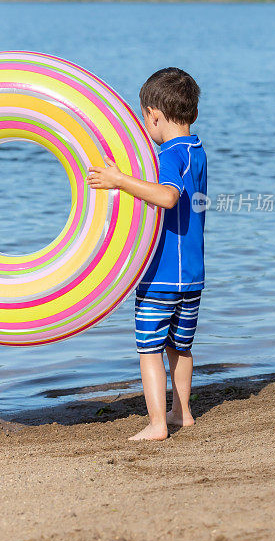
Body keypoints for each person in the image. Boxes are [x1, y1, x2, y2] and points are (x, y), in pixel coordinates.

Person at [86, 67, 207, 441]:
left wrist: (119, 181)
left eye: (144, 119)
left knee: (149, 349)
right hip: (193, 276)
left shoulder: (168, 154)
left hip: (161, 275)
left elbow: (168, 197)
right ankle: (180, 413)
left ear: (154, 115)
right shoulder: (196, 150)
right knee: (180, 346)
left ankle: (157, 424)